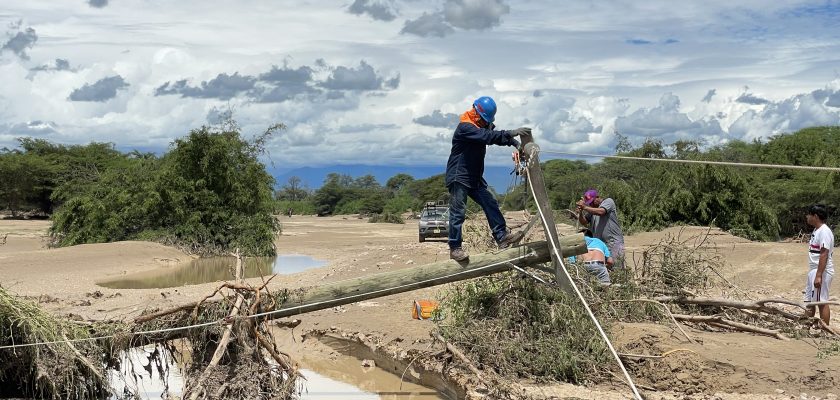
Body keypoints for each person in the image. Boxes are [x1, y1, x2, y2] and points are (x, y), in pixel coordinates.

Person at [446, 96, 530, 261]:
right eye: (484, 120)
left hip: (474, 178)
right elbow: (487, 136)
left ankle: (501, 236)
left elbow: (491, 133)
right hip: (459, 176)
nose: (487, 123)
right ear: (476, 114)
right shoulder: (465, 128)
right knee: (458, 212)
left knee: (490, 203)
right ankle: (455, 248)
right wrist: (511, 133)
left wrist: (515, 143)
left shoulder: (480, 125)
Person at [576, 188, 625, 267]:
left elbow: (601, 211)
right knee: (604, 268)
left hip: (613, 242)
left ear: (597, 197)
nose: (591, 204)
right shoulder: (593, 210)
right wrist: (581, 212)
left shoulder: (608, 202)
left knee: (616, 267)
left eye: (592, 202)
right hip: (600, 245)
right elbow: (584, 222)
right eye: (589, 203)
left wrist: (585, 207)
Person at [804, 204, 834, 325]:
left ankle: (825, 330)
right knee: (810, 301)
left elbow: (824, 254)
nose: (807, 217)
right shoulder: (816, 230)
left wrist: (818, 275)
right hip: (813, 270)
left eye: (809, 215)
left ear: (815, 216)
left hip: (821, 271)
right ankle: (805, 326)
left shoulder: (824, 232)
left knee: (822, 302)